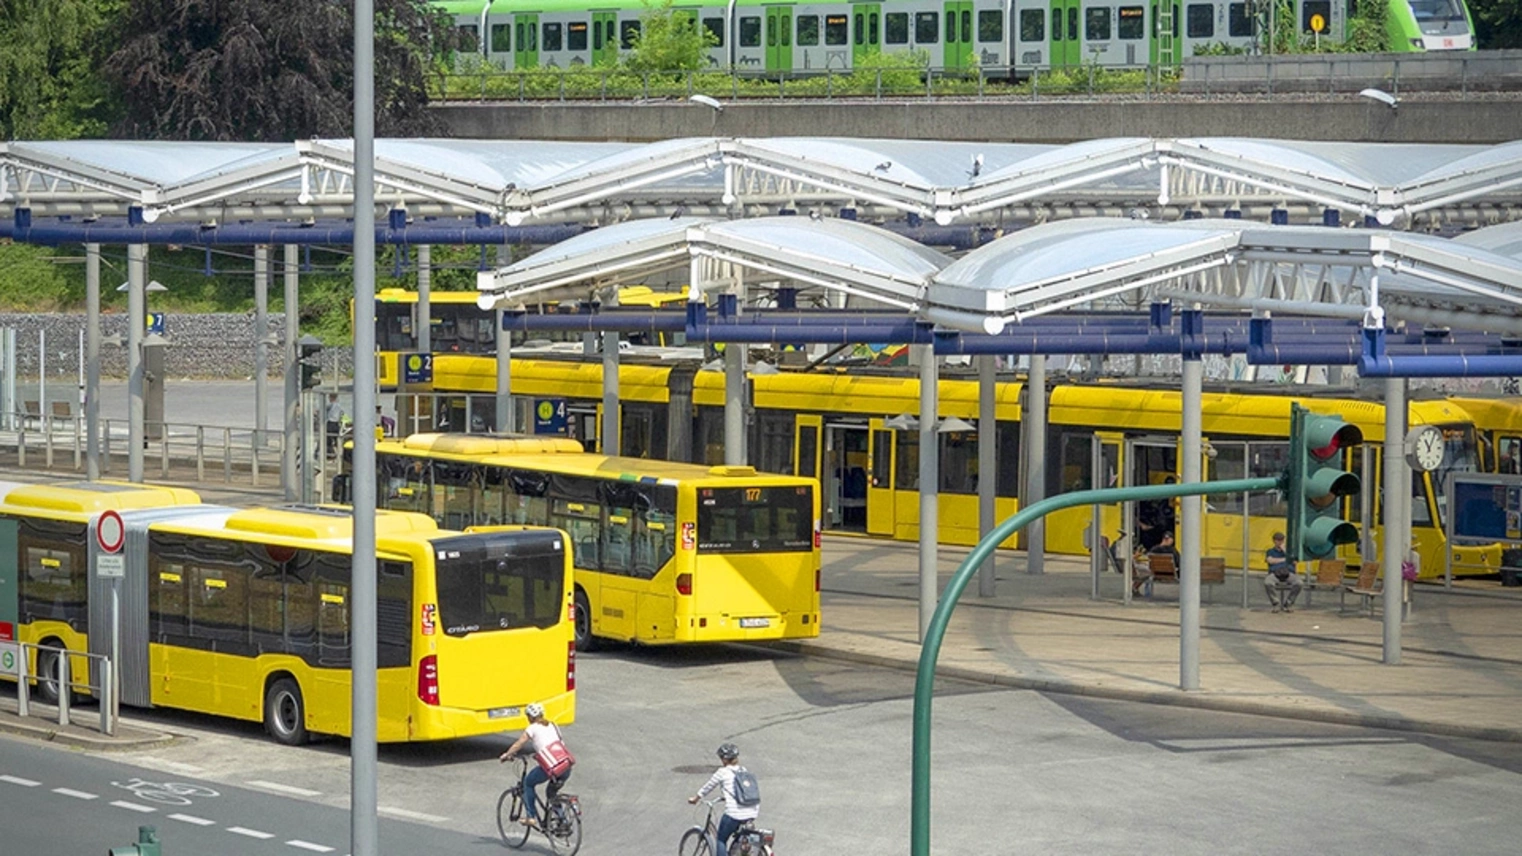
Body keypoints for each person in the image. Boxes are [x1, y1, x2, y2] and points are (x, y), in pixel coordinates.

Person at [499, 702, 571, 830]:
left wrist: (506, 755)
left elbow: (519, 744)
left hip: (551, 767)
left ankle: (530, 816)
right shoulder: (553, 725)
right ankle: (562, 820)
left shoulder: (532, 728)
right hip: (566, 765)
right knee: (551, 793)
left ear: (530, 717)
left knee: (528, 783)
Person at [688, 743, 759, 856]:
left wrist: (696, 798)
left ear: (725, 759)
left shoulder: (722, 772)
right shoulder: (743, 770)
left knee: (721, 839)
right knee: (742, 836)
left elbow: (708, 787)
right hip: (752, 811)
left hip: (734, 814)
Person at [1264, 532, 1303, 613]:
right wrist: (1285, 560)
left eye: (1281, 540)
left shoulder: (1290, 552)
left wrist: (1285, 551)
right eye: (1278, 540)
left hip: (1289, 573)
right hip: (1275, 573)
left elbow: (1295, 562)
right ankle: (1275, 603)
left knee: (1299, 583)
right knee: (1268, 582)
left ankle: (1289, 603)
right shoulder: (1270, 551)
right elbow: (1270, 560)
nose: (1280, 542)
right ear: (1274, 541)